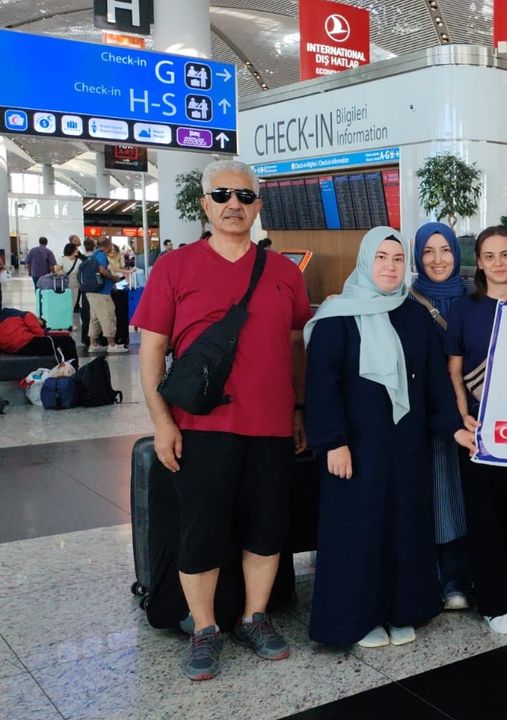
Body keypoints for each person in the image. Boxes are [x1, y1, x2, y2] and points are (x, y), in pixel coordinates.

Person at [133, 159, 312, 681]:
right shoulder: (175, 267)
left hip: (271, 426)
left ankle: (255, 617)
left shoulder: (283, 272)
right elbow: (152, 351)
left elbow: (295, 346)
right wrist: (162, 422)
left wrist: (298, 409)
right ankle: (205, 627)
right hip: (201, 427)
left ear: (258, 206)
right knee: (201, 530)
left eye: (245, 196)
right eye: (222, 195)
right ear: (205, 204)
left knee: (267, 526)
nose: (234, 204)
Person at [304, 227, 463, 648]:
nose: (390, 267)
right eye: (381, 258)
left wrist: (455, 426)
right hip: (354, 448)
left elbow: (435, 381)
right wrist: (332, 442)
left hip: (406, 446)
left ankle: (401, 609)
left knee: (404, 525)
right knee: (358, 530)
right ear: (365, 261)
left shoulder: (414, 315)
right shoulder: (337, 316)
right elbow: (322, 385)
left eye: (397, 259)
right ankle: (360, 619)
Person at [444, 225, 507, 635]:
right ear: (479, 264)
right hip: (480, 428)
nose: (498, 263)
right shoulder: (463, 310)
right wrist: (462, 417)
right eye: (489, 256)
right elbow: (454, 371)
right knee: (485, 515)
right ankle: (493, 600)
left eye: (505, 254)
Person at [411, 222, 472, 612]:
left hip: (471, 416)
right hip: (425, 419)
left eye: (445, 250)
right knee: (435, 492)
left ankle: (461, 576)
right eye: (428, 251)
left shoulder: (474, 297)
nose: (437, 260)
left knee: (462, 493)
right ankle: (435, 578)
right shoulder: (404, 300)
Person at [81, 238, 127, 354]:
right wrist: (114, 278)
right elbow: (102, 269)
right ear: (109, 245)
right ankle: (112, 345)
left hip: (91, 291)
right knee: (108, 316)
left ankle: (93, 344)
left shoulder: (93, 255)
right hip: (101, 293)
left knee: (95, 318)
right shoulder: (101, 255)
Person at [103, 241, 133, 348]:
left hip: (121, 285)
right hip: (110, 286)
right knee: (112, 313)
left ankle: (123, 337)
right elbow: (112, 270)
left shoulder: (122, 261)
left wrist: (125, 279)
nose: (111, 253)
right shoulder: (105, 262)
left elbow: (125, 276)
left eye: (114, 251)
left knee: (122, 312)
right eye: (110, 251)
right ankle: (114, 337)